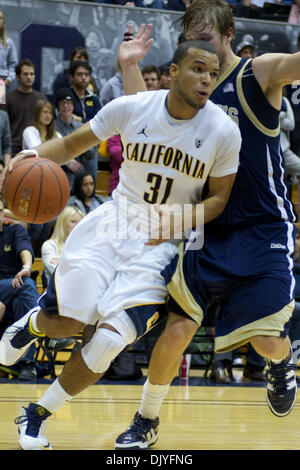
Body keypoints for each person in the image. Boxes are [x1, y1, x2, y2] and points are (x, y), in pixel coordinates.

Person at [0, 38, 241, 450]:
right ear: (173, 72)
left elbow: (218, 198)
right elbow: (71, 145)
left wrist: (185, 218)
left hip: (162, 245)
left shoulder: (223, 130)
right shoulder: (133, 107)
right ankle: (34, 324)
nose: (207, 79)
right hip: (113, 224)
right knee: (69, 324)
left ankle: (36, 415)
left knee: (110, 340)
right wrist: (30, 158)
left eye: (214, 73)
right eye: (198, 69)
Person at [113, 0, 300, 449]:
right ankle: (147, 419)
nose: (199, 48)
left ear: (230, 34)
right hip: (205, 226)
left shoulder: (259, 74)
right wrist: (128, 67)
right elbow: (144, 120)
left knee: (265, 342)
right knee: (178, 328)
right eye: (190, 41)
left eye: (207, 37)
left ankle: (282, 362)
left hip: (261, 228)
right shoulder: (194, 84)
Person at [0, 197, 40, 380]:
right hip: (7, 285)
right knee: (28, 286)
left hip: (14, 285)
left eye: (1, 211)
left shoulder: (14, 230)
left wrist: (26, 267)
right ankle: (43, 332)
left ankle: (25, 363)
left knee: (23, 296)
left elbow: (25, 249)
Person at [55, 88, 97, 190]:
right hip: (59, 171)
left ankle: (89, 188)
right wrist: (67, 160)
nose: (66, 106)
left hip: (80, 172)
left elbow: (91, 154)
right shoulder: (52, 127)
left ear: (73, 106)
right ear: (58, 106)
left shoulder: (81, 127)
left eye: (69, 103)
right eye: (63, 103)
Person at [68, 60, 101, 183]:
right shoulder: (66, 97)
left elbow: (99, 122)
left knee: (90, 184)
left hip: (90, 146)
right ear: (71, 77)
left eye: (86, 75)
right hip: (71, 147)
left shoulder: (94, 99)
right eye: (79, 74)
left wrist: (80, 119)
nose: (83, 78)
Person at [4, 59, 46, 156]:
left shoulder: (41, 98)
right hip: (14, 150)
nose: (29, 77)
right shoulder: (7, 98)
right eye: (25, 74)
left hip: (36, 149)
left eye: (32, 74)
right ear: (18, 77)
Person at [41, 206, 84, 285]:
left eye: (80, 222)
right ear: (63, 224)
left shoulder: (86, 246)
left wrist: (62, 261)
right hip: (56, 293)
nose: (78, 226)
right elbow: (57, 273)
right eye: (73, 221)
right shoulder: (49, 246)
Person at [0, 9, 18, 91]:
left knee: (1, 103)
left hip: (1, 81)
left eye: (0, 18)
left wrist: (8, 80)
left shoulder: (8, 42)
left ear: (3, 22)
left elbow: (13, 64)